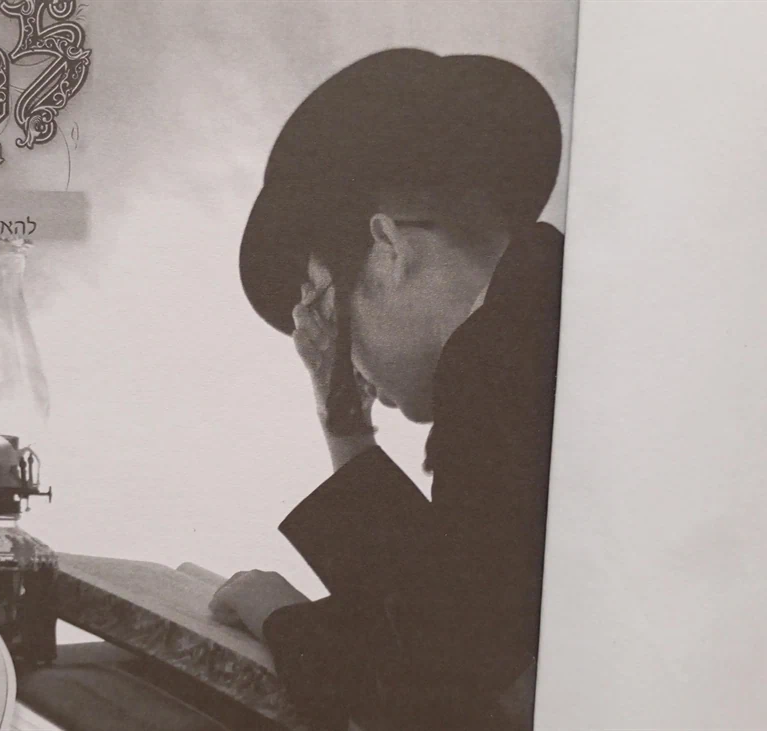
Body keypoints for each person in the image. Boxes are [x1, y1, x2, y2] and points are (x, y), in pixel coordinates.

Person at [210, 48, 566, 731]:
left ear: (389, 247)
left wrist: (278, 614)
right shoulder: (540, 310)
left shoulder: (499, 350)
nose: (329, 347)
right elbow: (465, 624)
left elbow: (458, 694)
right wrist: (342, 411)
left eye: (320, 302)